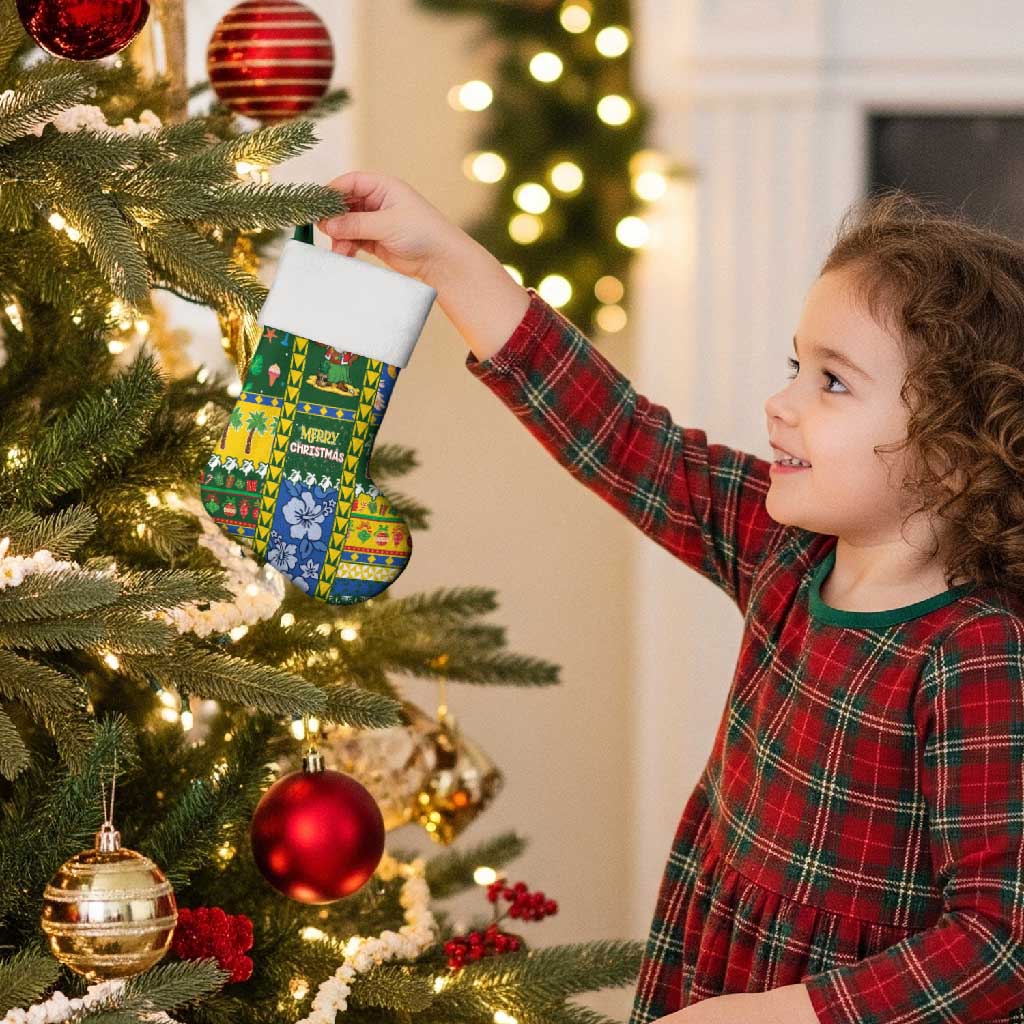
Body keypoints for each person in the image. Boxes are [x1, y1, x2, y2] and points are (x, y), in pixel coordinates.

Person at [317, 174, 1024, 1024]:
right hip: (714, 964)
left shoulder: (978, 652)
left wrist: (779, 1016)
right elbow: (622, 436)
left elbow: (998, 941)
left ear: (957, 454)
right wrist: (450, 261)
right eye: (797, 367)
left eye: (832, 383)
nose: (782, 403)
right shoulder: (786, 552)